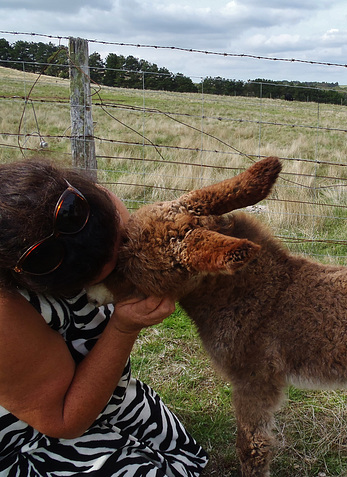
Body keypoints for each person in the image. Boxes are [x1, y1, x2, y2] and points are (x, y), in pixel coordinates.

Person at [0, 159, 208, 476]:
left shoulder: (85, 204)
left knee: (185, 458)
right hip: (33, 429)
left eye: (121, 243)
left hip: (107, 397)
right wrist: (123, 328)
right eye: (107, 277)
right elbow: (62, 419)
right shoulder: (5, 312)